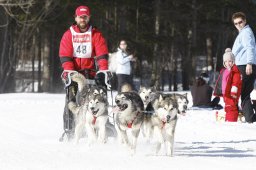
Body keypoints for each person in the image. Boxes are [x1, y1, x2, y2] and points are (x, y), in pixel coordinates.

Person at [58, 5, 109, 140]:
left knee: (99, 98)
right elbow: (65, 54)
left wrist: (103, 70)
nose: (83, 19)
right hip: (74, 73)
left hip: (91, 72)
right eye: (80, 17)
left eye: (85, 17)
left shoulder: (95, 34)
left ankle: (104, 126)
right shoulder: (69, 34)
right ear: (76, 18)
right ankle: (69, 129)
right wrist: (69, 70)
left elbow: (102, 53)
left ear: (89, 18)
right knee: (71, 101)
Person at [231, 12, 256, 123]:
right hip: (242, 65)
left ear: (245, 21)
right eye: (236, 23)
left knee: (244, 93)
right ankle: (249, 116)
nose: (238, 25)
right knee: (244, 93)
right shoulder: (243, 33)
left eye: (240, 22)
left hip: (245, 66)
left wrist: (249, 63)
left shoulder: (246, 33)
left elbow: (250, 48)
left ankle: (250, 119)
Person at [214, 48, 242, 122]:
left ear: (233, 61)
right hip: (225, 93)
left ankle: (231, 120)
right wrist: (219, 91)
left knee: (231, 106)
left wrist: (233, 92)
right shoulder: (224, 71)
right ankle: (228, 118)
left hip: (232, 93)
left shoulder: (235, 71)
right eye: (225, 61)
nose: (228, 63)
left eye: (230, 61)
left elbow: (236, 82)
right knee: (227, 106)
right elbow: (222, 82)